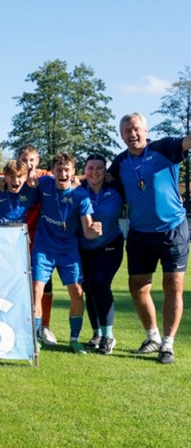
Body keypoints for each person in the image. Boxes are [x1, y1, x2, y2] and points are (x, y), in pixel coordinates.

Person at [108, 112, 191, 364]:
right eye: (126, 131)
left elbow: (187, 142)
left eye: (135, 129)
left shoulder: (164, 148)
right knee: (137, 287)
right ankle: (152, 336)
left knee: (173, 286)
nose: (132, 134)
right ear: (121, 135)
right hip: (140, 233)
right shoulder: (120, 162)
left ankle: (167, 344)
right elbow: (97, 179)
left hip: (172, 229)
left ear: (145, 130)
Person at [31, 153, 101, 354]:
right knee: (37, 290)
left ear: (72, 173)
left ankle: (74, 339)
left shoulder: (81, 196)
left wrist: (94, 231)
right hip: (43, 248)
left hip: (68, 250)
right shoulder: (44, 184)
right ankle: (36, 338)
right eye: (58, 170)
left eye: (66, 170)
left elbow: (87, 230)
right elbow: (19, 182)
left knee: (77, 292)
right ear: (52, 171)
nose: (62, 173)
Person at [79, 154, 124, 355]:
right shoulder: (78, 189)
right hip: (83, 247)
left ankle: (108, 336)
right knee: (88, 287)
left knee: (99, 284)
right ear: (85, 170)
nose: (94, 172)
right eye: (90, 168)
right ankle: (96, 334)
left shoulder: (116, 189)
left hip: (110, 245)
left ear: (105, 171)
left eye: (99, 168)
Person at [18, 145, 57, 346]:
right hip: (17, 241)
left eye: (31, 160)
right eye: (24, 160)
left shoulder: (47, 178)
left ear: (38, 161)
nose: (28, 164)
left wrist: (78, 179)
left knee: (44, 284)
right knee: (18, 284)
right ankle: (20, 325)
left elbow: (66, 176)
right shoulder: (12, 177)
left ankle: (44, 327)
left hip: (43, 240)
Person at [0, 160, 37, 226]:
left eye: (19, 176)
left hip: (19, 234)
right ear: (5, 176)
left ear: (25, 177)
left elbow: (49, 178)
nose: (15, 180)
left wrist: (33, 171)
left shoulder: (30, 189)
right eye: (12, 176)